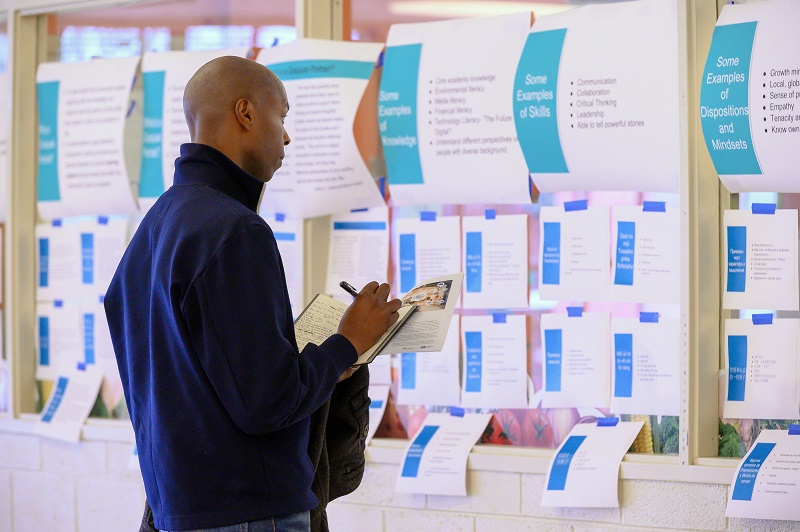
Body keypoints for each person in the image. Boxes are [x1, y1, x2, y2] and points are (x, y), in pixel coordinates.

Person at [104, 56, 401, 532]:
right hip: (248, 515)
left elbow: (212, 383)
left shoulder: (156, 226)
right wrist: (348, 341)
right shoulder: (235, 230)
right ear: (245, 114)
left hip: (175, 509)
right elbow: (267, 402)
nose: (286, 136)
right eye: (281, 117)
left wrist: (329, 364)